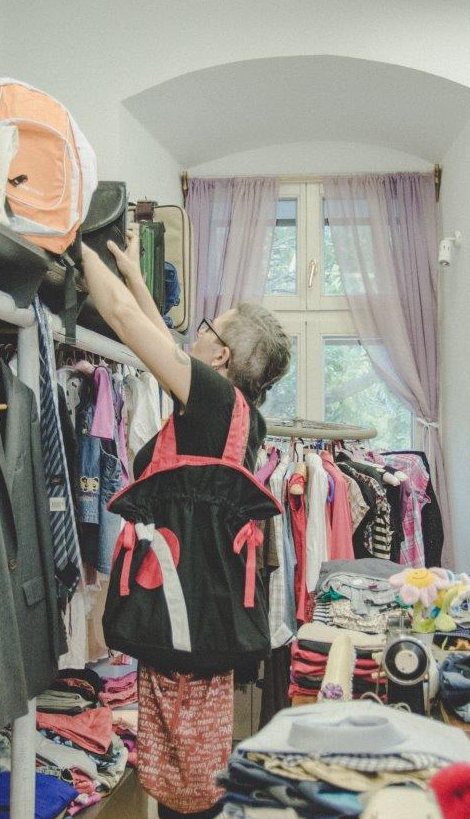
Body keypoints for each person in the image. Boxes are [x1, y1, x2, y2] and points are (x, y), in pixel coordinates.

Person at [79, 230, 291, 819]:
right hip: (195, 620)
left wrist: (75, 240)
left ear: (220, 357)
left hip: (184, 624)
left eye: (207, 329)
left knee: (189, 788)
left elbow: (124, 321)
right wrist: (135, 275)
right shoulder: (230, 415)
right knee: (188, 775)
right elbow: (161, 341)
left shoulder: (215, 401)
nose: (194, 335)